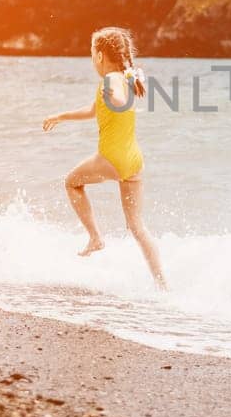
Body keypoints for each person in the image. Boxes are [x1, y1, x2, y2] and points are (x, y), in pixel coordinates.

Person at [43, 27, 168, 290]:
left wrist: (115, 97)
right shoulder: (126, 77)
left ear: (100, 56)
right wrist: (60, 116)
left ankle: (95, 237)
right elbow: (92, 110)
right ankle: (162, 285)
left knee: (71, 182)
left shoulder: (111, 81)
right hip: (134, 161)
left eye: (91, 53)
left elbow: (117, 98)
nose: (91, 60)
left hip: (111, 158)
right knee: (137, 227)